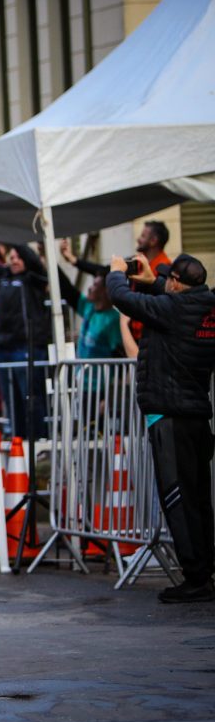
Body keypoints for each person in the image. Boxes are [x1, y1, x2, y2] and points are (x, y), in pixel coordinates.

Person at [107, 254, 215, 603]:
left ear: (177, 284)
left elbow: (122, 298)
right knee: (198, 500)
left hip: (169, 417)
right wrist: (154, 280)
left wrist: (117, 274)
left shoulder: (172, 309)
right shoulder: (204, 305)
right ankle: (204, 571)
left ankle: (196, 578)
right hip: (197, 416)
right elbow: (174, 302)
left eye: (168, 280)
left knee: (178, 500)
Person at [0, 241, 50, 439]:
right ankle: (19, 439)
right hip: (3, 348)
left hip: (26, 346)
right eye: (12, 257)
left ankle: (37, 439)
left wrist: (13, 237)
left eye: (19, 257)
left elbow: (34, 260)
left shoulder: (34, 278)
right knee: (11, 399)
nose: (14, 260)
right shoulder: (3, 276)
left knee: (31, 397)